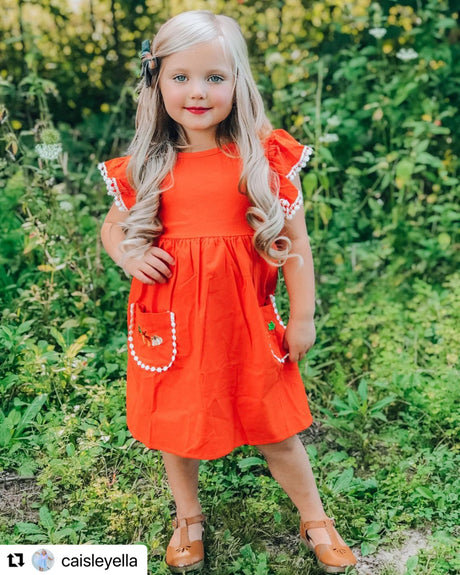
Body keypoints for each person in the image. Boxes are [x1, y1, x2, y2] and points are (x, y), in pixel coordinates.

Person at [99, 10, 357, 574]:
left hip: (245, 321)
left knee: (275, 427)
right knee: (179, 428)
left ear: (238, 81)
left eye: (215, 77)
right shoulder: (146, 165)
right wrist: (129, 255)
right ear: (156, 81)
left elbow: (296, 242)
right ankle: (188, 518)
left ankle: (315, 518)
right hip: (172, 323)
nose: (198, 91)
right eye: (181, 77)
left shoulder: (263, 159)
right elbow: (112, 228)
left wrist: (303, 316)